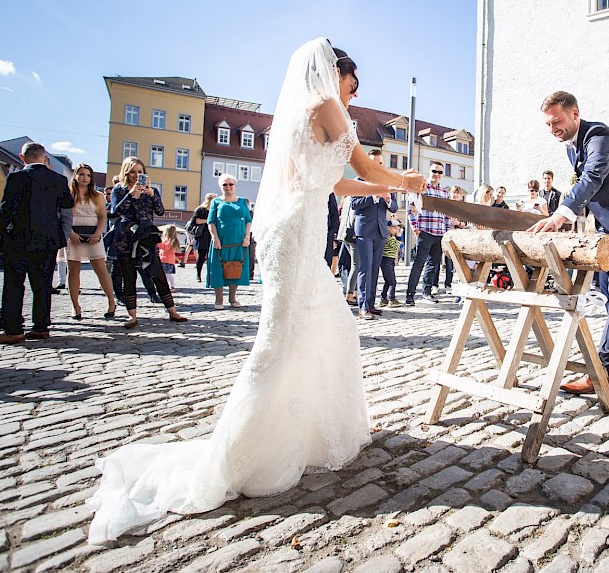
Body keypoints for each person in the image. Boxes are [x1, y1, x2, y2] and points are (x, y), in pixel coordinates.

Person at [85, 37, 424, 544]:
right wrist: (403, 180)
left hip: (297, 229)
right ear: (336, 75)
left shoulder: (297, 116)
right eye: (352, 88)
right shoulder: (325, 103)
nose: (352, 99)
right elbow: (364, 166)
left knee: (326, 325)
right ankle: (245, 451)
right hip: (298, 234)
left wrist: (383, 186)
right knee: (282, 338)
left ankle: (306, 432)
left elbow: (336, 183)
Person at [529, 91, 609, 394]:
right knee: (608, 290)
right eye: (548, 124)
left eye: (557, 122)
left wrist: (561, 215)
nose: (553, 130)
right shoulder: (569, 147)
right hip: (608, 225)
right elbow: (591, 191)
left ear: (575, 114)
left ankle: (601, 371)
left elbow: (592, 178)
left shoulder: (599, 135)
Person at [0, 142, 74, 344]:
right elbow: (68, 204)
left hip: (19, 239)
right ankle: (41, 327)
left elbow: (7, 210)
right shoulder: (59, 179)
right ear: (44, 158)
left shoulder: (17, 177)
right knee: (42, 285)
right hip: (48, 239)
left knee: (15, 284)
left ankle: (14, 329)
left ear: (23, 158)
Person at [109, 157, 188, 329]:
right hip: (126, 236)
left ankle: (172, 311)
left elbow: (160, 211)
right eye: (133, 171)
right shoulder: (119, 189)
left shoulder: (151, 190)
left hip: (146, 235)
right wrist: (131, 195)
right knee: (129, 276)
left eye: (140, 171)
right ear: (126, 172)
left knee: (158, 274)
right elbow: (116, 211)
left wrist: (152, 195)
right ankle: (132, 316)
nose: (137, 175)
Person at [65, 163, 117, 320]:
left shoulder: (97, 196)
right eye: (81, 174)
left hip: (93, 234)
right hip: (73, 234)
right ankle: (75, 306)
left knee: (100, 268)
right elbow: (63, 216)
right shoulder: (67, 195)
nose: (85, 178)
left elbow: (102, 216)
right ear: (75, 175)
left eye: (88, 175)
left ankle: (111, 302)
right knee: (73, 270)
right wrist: (70, 232)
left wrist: (97, 233)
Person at [350, 150, 398, 320]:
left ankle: (370, 303)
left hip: (380, 231)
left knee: (374, 270)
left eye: (381, 163)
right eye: (375, 163)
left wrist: (387, 200)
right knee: (365, 268)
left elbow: (394, 208)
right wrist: (374, 196)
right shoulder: (359, 182)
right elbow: (355, 204)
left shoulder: (385, 182)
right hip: (364, 231)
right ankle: (362, 307)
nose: (379, 166)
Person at [405, 161, 450, 305]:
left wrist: (447, 233)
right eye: (434, 171)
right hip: (425, 231)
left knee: (433, 265)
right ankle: (410, 295)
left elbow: (447, 214)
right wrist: (414, 226)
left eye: (439, 172)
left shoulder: (444, 193)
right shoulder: (421, 188)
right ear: (429, 172)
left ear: (442, 175)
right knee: (418, 264)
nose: (436, 174)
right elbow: (410, 208)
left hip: (439, 233)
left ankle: (427, 292)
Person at [207, 174, 252, 310]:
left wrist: (246, 237)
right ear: (221, 187)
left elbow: (248, 220)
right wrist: (215, 238)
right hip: (221, 242)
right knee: (218, 269)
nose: (228, 187)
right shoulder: (216, 202)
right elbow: (211, 222)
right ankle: (218, 299)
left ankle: (232, 298)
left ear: (235, 186)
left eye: (230, 184)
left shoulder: (242, 201)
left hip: (238, 241)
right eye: (225, 185)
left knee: (235, 268)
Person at [190, 193, 217, 283]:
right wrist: (208, 221)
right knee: (201, 257)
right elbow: (196, 221)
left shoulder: (215, 210)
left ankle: (210, 275)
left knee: (212, 257)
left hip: (212, 235)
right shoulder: (201, 210)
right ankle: (198, 274)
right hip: (202, 235)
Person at [380, 220, 402, 307]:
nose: (397, 230)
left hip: (390, 260)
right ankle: (392, 299)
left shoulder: (390, 237)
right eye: (395, 228)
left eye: (398, 228)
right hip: (386, 261)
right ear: (388, 228)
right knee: (393, 282)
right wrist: (399, 237)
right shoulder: (387, 237)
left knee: (388, 281)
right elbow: (397, 246)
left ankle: (383, 299)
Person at [157, 225, 180, 292]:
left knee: (166, 275)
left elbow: (165, 248)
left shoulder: (169, 240)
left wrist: (159, 243)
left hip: (166, 259)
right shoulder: (173, 240)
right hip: (169, 260)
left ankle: (170, 287)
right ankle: (169, 286)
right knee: (167, 275)